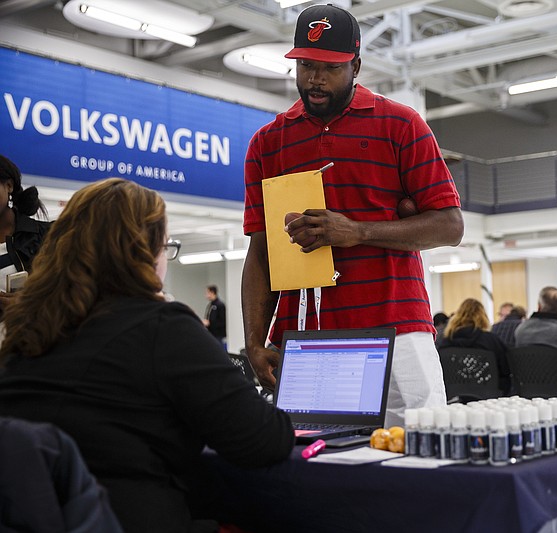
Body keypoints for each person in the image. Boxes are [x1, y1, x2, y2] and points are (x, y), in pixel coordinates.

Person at [0, 178, 295, 532]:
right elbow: (265, 441)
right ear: (148, 250)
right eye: (165, 246)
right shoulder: (162, 326)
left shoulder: (25, 330)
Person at [241, 4, 464, 427]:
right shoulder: (267, 144)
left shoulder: (401, 125)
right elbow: (262, 252)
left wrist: (357, 231)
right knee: (314, 467)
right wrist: (254, 341)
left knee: (419, 455)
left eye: (330, 67)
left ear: (356, 65)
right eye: (305, 65)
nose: (315, 78)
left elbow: (450, 225)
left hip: (397, 327)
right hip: (305, 334)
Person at [0, 154, 51, 320]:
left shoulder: (47, 237)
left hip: (31, 340)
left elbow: (74, 293)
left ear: (8, 186)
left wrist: (31, 304)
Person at [436, 298, 511, 394]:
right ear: (483, 317)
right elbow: (506, 370)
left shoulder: (445, 341)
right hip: (488, 396)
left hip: (453, 397)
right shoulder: (491, 340)